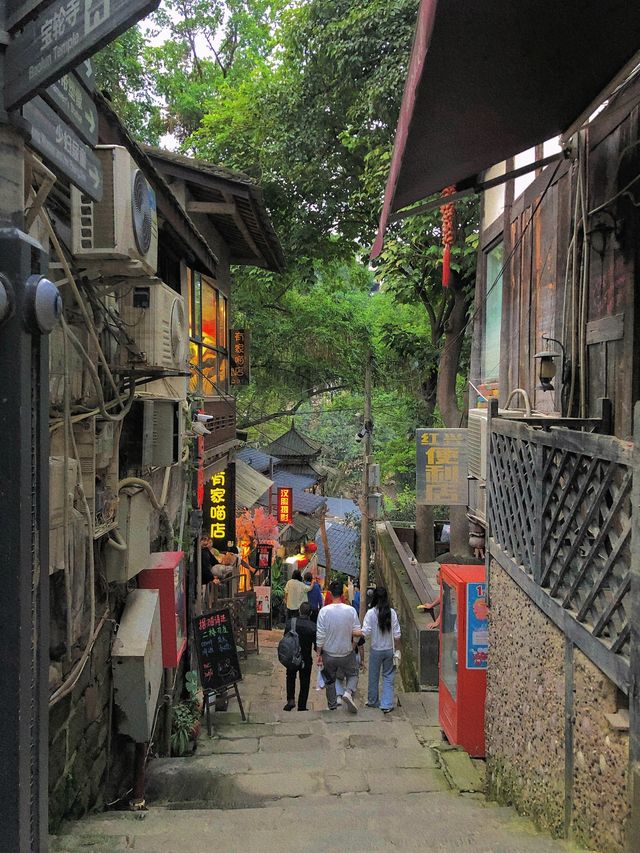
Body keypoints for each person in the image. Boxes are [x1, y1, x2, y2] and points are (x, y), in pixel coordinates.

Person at [316, 579, 362, 713]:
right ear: (342, 594)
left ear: (329, 593)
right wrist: (353, 646)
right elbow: (357, 633)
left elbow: (320, 635)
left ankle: (332, 706)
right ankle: (348, 692)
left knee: (330, 679)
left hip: (329, 652)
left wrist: (319, 653)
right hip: (346, 651)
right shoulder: (351, 610)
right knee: (353, 673)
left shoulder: (324, 612)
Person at [361, 586, 401, 713]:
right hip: (389, 649)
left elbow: (365, 632)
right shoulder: (392, 613)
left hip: (375, 649)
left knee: (373, 676)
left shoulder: (371, 613)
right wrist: (398, 650)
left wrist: (355, 632)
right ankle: (387, 703)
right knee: (389, 676)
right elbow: (397, 635)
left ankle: (372, 701)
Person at [283, 602, 317, 712]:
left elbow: (285, 638)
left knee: (290, 677)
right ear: (310, 613)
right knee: (305, 681)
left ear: (299, 611)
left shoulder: (290, 623)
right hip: (305, 658)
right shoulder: (313, 627)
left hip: (291, 656)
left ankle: (290, 700)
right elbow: (316, 646)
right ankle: (302, 705)